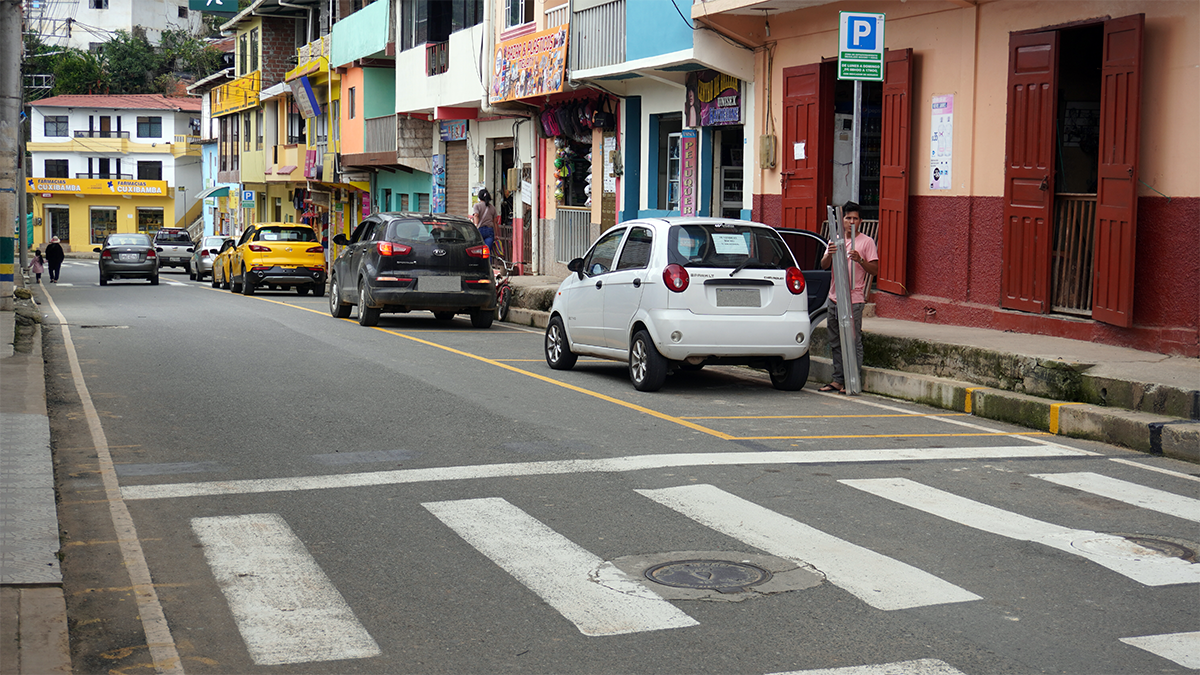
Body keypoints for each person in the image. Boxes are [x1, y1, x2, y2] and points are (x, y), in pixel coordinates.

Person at [819, 201, 879, 393]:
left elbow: (875, 269)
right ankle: (837, 379)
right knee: (835, 340)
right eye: (848, 218)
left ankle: (852, 379)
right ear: (842, 220)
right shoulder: (835, 240)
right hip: (834, 297)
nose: (851, 222)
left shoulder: (866, 242)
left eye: (855, 218)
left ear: (860, 221)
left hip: (854, 299)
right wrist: (830, 254)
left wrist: (860, 260)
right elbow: (823, 265)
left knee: (853, 340)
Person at [471, 188, 498, 254]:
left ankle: (479, 264)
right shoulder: (492, 207)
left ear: (479, 197)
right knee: (487, 252)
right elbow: (495, 222)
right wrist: (496, 234)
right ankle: (488, 264)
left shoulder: (477, 206)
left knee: (478, 252)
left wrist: (476, 225)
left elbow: (476, 215)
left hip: (480, 230)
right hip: (490, 231)